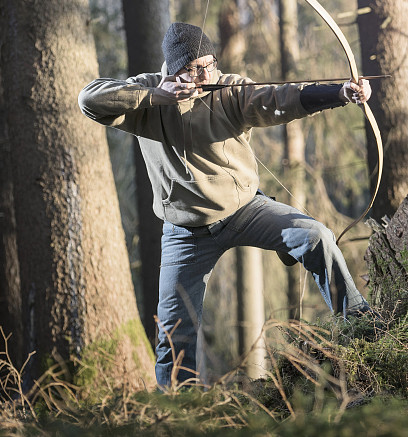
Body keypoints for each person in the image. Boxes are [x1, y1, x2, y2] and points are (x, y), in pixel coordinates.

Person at [79, 22, 374, 388]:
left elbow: (277, 98)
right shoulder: (148, 95)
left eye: (210, 64)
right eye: (194, 69)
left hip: (245, 210)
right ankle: (179, 409)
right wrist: (157, 95)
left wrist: (340, 92)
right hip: (185, 234)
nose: (205, 75)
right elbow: (89, 99)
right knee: (174, 333)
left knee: (316, 236)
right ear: (173, 69)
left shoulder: (228, 89)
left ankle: (364, 329)